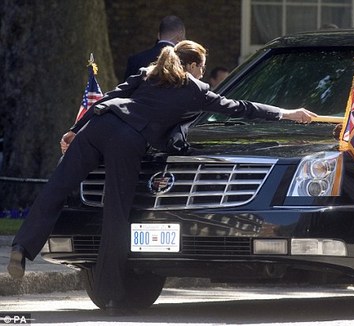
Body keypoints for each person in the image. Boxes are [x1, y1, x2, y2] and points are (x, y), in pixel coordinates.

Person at [7, 40, 317, 314]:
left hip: (98, 126)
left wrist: (75, 130)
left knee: (57, 187)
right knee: (116, 212)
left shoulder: (148, 74)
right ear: (193, 65)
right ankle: (113, 295)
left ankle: (22, 248)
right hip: (127, 140)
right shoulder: (193, 88)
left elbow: (109, 97)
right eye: (202, 68)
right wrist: (287, 114)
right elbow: (239, 108)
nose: (202, 74)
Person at [123, 15, 186, 81]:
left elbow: (126, 89)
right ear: (180, 38)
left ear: (158, 35)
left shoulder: (135, 60)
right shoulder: (183, 61)